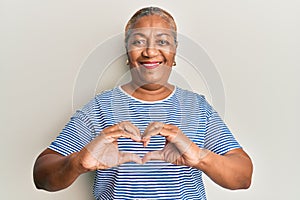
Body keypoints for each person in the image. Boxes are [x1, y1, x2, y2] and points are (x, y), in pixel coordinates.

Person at [33, 7, 253, 200]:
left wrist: (199, 157)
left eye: (162, 41)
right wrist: (78, 162)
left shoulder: (197, 107)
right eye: (138, 41)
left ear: (174, 52)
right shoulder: (100, 108)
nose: (149, 51)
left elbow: (243, 177)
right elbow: (41, 176)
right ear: (128, 52)